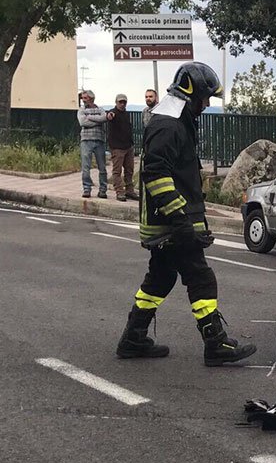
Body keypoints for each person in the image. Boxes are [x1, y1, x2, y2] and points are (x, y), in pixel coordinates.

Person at [116, 62, 256, 366]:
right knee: (201, 277)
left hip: (167, 222)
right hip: (170, 224)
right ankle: (215, 343)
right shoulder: (169, 125)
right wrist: (181, 221)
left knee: (160, 278)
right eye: (204, 99)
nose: (206, 105)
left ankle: (133, 337)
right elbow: (155, 174)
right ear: (190, 94)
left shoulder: (177, 120)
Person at [107, 94, 139, 202]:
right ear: (116, 102)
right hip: (117, 147)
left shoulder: (126, 114)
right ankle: (119, 192)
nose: (122, 104)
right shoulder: (113, 112)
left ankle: (130, 190)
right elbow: (109, 116)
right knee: (117, 171)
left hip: (128, 146)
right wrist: (109, 116)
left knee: (129, 170)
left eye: (124, 102)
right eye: (120, 102)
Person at [76, 90, 108, 198]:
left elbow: (104, 118)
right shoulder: (81, 110)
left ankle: (103, 190)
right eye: (82, 98)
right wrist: (97, 121)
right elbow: (82, 122)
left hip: (99, 140)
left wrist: (90, 117)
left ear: (91, 98)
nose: (83, 100)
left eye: (85, 98)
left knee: (102, 167)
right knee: (86, 167)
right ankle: (86, 189)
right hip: (86, 140)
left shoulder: (100, 109)